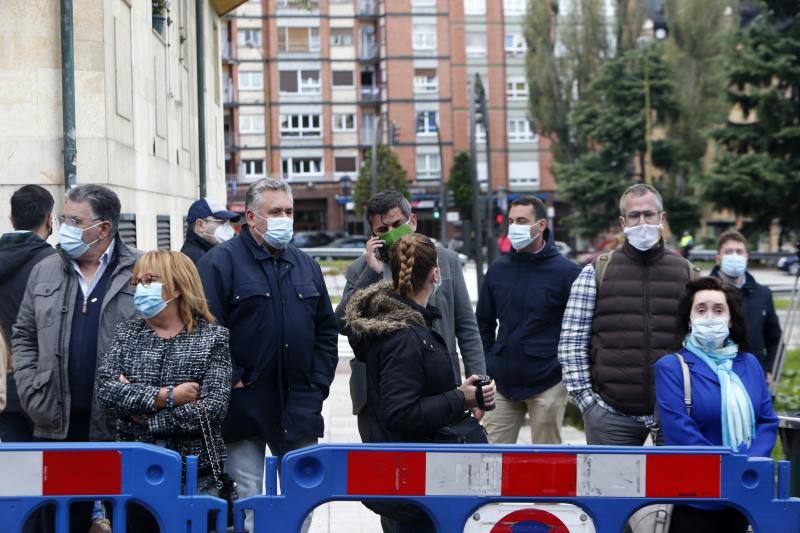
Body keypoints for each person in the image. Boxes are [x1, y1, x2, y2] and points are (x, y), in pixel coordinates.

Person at [197, 178, 337, 533]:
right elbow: (206, 331)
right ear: (251, 217)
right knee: (247, 500)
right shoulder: (221, 263)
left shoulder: (306, 265)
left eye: (289, 211)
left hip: (299, 403)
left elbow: (325, 330)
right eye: (275, 212)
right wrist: (233, 379)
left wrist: (317, 384)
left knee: (304, 497)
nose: (284, 219)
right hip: (245, 403)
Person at [344, 233, 495, 533]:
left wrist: (462, 395)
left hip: (418, 472)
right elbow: (401, 412)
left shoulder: (406, 320)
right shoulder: (404, 335)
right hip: (415, 475)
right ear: (435, 274)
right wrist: (460, 398)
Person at [12, 184, 141, 532]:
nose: (63, 226)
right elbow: (23, 335)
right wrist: (30, 386)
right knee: (59, 517)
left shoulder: (141, 271)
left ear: (103, 228)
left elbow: (165, 333)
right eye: (62, 218)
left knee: (127, 514)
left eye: (73, 219)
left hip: (120, 425)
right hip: (55, 421)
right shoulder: (45, 269)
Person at [335, 190, 486, 445]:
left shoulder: (444, 260)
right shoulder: (362, 268)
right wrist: (371, 274)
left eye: (397, 224)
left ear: (412, 221)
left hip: (437, 390)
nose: (392, 232)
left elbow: (467, 327)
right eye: (383, 229)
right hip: (377, 396)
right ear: (373, 235)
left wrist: (479, 387)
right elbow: (342, 322)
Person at [96, 251, 231, 532]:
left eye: (151, 280)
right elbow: (106, 391)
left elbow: (212, 408)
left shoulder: (212, 338)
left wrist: (145, 417)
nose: (142, 288)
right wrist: (167, 396)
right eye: (139, 281)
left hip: (196, 477)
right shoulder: (127, 334)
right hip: (135, 473)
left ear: (179, 286)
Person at [557, 183, 700, 446]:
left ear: (662, 218)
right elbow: (571, 343)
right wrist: (589, 404)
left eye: (649, 214)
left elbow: (702, 344)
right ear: (623, 222)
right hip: (611, 415)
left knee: (675, 488)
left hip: (675, 413)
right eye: (634, 216)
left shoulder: (688, 273)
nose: (642, 222)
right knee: (610, 488)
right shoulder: (597, 271)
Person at [655, 276, 777, 532]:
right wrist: (727, 468)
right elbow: (679, 430)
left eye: (718, 310)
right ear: (689, 320)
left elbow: (767, 420)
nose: (710, 316)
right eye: (701, 309)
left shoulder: (749, 364)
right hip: (697, 496)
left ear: (731, 320)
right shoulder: (671, 367)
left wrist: (747, 465)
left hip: (744, 494)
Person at [476, 196, 580, 444]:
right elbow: (483, 324)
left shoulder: (566, 272)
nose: (514, 227)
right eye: (511, 221)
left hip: (548, 380)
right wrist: (487, 367)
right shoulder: (498, 269)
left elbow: (577, 330)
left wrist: (564, 370)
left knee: (547, 461)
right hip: (501, 380)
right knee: (488, 455)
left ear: (541, 224)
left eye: (522, 221)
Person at [0, 185, 57, 441]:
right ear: (49, 219)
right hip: (43, 389)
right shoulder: (56, 265)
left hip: (3, 390)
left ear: (11, 219)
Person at [711, 230, 781, 381]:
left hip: (755, 377)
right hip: (715, 376)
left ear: (746, 258)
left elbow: (775, 339)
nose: (734, 256)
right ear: (718, 259)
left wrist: (770, 370)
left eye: (739, 251)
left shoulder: (763, 294)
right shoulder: (704, 294)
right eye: (728, 252)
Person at [180, 197, 240, 264]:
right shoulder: (194, 260)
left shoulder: (212, 251)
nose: (227, 227)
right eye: (222, 222)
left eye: (227, 222)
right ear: (200, 225)